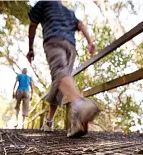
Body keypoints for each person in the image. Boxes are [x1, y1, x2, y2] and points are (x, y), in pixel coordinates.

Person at [27, 1, 100, 138]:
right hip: (71, 47)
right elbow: (81, 25)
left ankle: (80, 104)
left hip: (54, 40)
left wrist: (30, 48)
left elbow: (32, 25)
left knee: (60, 73)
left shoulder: (43, 3)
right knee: (60, 79)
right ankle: (50, 122)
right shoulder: (69, 12)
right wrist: (90, 42)